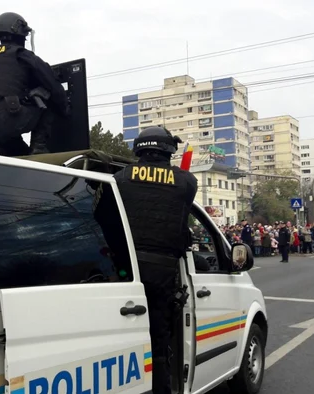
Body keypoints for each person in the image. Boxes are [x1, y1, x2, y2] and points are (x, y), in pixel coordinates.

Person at [92, 126, 197, 394]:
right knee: (159, 339)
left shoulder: (120, 178)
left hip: (125, 268)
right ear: (169, 150)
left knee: (123, 335)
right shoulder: (187, 182)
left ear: (139, 149)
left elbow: (103, 218)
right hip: (163, 272)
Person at [0, 12, 68, 156]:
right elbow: (52, 83)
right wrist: (65, 108)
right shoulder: (21, 54)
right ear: (19, 32)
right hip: (10, 117)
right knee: (48, 95)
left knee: (20, 152)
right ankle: (39, 147)